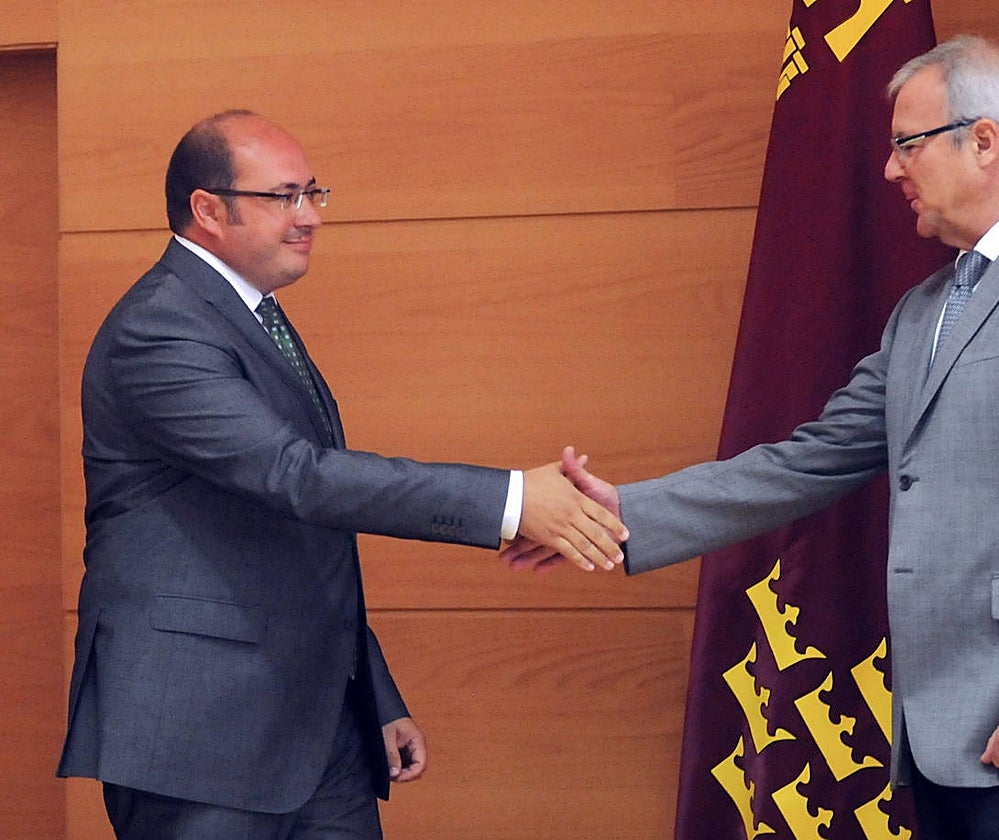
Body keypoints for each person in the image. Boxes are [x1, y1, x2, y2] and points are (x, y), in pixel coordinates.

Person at [504, 36, 999, 839]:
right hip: (947, 739)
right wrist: (619, 516)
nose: (891, 170)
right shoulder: (925, 309)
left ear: (985, 141)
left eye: (906, 144)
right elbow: (806, 463)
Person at [57, 109, 627, 840]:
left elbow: (299, 535)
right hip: (199, 734)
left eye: (313, 193)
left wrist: (373, 694)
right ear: (207, 209)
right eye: (283, 196)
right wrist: (512, 500)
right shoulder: (159, 327)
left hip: (318, 731)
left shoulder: (252, 315)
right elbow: (298, 476)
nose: (309, 218)